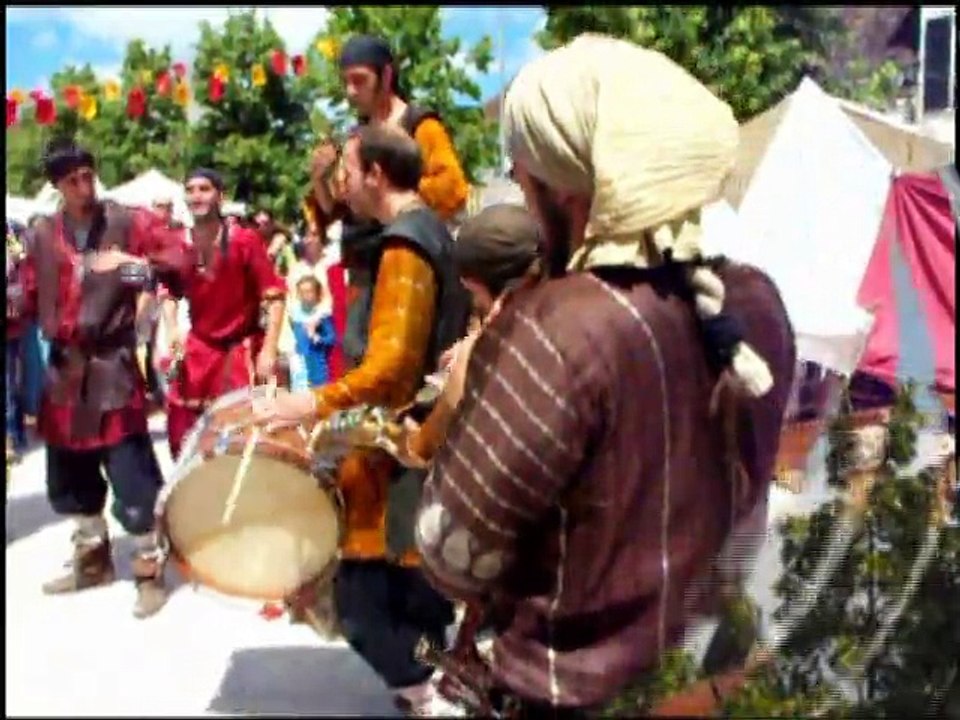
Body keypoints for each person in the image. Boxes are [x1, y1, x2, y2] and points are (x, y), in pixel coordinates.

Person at [411, 35, 798, 716]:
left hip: (577, 698)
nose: (522, 192)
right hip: (719, 683)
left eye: (523, 170)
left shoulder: (557, 328)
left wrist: (468, 392)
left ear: (564, 187)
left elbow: (450, 555)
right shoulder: (759, 303)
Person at [254, 125, 471, 714]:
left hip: (396, 455)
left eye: (347, 170)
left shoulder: (405, 244)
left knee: (360, 605)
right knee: (414, 597)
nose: (341, 183)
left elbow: (392, 369)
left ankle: (437, 694)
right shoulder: (431, 231)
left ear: (376, 173)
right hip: (423, 447)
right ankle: (437, 685)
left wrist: (310, 404)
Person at [8, 140, 193, 618]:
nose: (83, 184)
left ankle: (149, 570)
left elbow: (178, 258)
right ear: (56, 186)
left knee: (133, 475)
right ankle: (92, 560)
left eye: (88, 174)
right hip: (64, 371)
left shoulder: (128, 220)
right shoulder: (42, 233)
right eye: (72, 179)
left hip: (111, 368)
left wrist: (131, 267)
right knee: (70, 477)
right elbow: (24, 295)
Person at [162, 169, 286, 461]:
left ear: (221, 195)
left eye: (204, 189)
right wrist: (171, 330)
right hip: (200, 347)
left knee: (246, 433)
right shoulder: (179, 243)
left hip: (241, 348)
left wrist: (268, 350)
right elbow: (168, 291)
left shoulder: (245, 240)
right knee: (183, 432)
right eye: (190, 189)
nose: (196, 196)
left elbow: (275, 296)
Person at [288, 275, 337, 391]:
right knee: (300, 396)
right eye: (302, 292)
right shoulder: (294, 314)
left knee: (318, 395)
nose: (305, 295)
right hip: (299, 362)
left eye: (309, 291)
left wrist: (317, 337)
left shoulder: (322, 314)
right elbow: (295, 335)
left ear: (317, 294)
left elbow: (332, 338)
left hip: (317, 363)